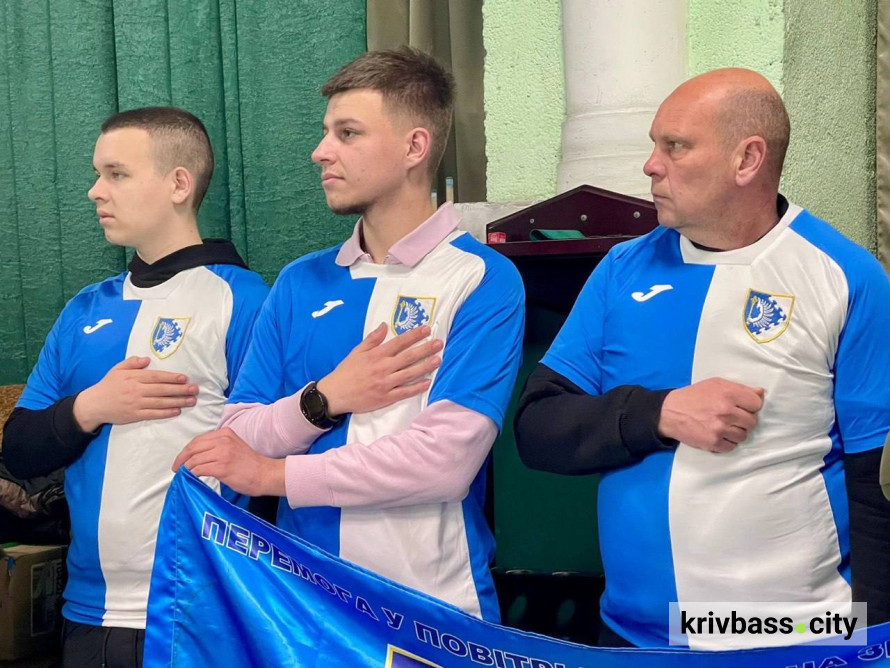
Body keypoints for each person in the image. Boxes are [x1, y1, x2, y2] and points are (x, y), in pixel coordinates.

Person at [514, 68, 890, 649]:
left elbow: (876, 490)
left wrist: (873, 644)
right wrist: (659, 414)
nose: (650, 165)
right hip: (633, 637)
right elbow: (538, 430)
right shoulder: (621, 271)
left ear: (747, 160)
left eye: (676, 146)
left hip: (792, 638)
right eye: (654, 145)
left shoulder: (846, 276)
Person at [173, 47, 525, 622]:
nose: (321, 151)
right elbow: (237, 433)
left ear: (414, 147)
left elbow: (443, 463)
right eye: (325, 132)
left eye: (348, 133)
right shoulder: (299, 281)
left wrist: (272, 476)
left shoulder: (482, 278)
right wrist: (324, 399)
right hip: (304, 611)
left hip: (433, 615)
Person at [2, 107, 269, 667]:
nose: (96, 191)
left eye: (117, 174)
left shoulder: (242, 299)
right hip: (87, 613)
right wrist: (90, 407)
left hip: (201, 609)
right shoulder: (83, 310)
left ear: (178, 184)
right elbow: (20, 450)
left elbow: (276, 455)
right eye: (98, 174)